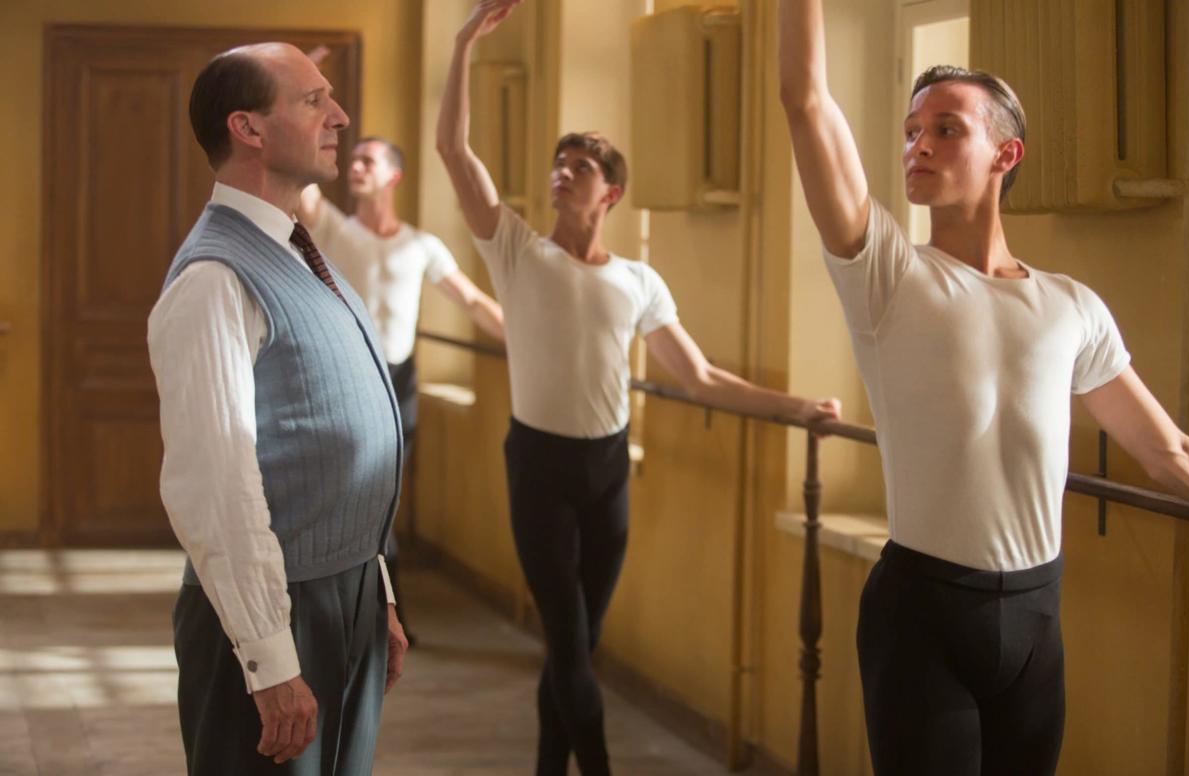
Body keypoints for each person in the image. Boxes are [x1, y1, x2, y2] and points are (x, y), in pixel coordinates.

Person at [777, 2, 1189, 774]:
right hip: (920, 615)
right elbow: (805, 101)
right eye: (910, 130)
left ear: (1005, 152)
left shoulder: (1071, 306)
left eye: (947, 128)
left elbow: (1171, 455)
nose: (917, 144)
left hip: (1036, 621)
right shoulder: (888, 275)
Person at [438, 3, 843, 774]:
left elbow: (699, 377)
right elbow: (452, 150)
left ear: (611, 193)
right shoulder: (516, 251)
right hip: (539, 468)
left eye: (580, 167)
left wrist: (797, 411)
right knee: (567, 640)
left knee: (577, 646)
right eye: (558, 164)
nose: (562, 174)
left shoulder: (637, 281)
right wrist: (463, 44)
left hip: (606, 473)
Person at [148, 43, 409, 775]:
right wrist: (268, 661)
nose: (340, 116)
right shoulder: (212, 278)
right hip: (274, 611)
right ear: (249, 130)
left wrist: (374, 589)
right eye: (312, 100)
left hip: (346, 593)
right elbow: (214, 484)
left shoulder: (299, 248)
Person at [296, 136, 505, 642]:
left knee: (383, 497)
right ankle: (357, 610)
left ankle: (382, 612)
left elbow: (474, 303)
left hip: (398, 381)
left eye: (368, 160)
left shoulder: (421, 245)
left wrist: (533, 342)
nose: (355, 167)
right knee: (347, 492)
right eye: (354, 160)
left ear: (394, 176)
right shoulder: (333, 228)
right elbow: (303, 187)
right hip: (346, 378)